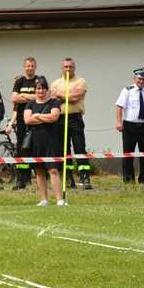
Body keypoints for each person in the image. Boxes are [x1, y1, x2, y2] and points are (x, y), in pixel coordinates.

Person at [50, 57, 92, 190]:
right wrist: (67, 95)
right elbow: (52, 99)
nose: (68, 69)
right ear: (62, 68)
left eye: (70, 67)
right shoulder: (55, 83)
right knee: (63, 149)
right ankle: (68, 178)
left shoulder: (81, 81)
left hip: (75, 118)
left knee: (79, 147)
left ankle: (84, 176)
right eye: (65, 67)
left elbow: (75, 98)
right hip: (60, 119)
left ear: (74, 68)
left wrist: (60, 95)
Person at [24, 78, 65, 206]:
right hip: (36, 141)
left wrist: (37, 116)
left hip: (51, 140)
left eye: (42, 88)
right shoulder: (30, 104)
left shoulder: (54, 102)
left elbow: (54, 117)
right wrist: (43, 118)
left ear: (47, 90)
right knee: (39, 171)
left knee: (53, 170)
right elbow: (27, 120)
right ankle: (44, 199)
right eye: (38, 88)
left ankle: (59, 200)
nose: (40, 91)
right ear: (35, 90)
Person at [11, 57, 47, 190]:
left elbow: (43, 96)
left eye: (32, 66)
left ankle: (40, 177)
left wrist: (24, 96)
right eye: (28, 66)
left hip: (36, 118)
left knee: (36, 146)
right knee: (22, 147)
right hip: (21, 119)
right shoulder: (20, 81)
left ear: (35, 67)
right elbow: (14, 97)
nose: (30, 68)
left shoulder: (39, 80)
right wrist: (33, 97)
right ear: (24, 67)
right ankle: (23, 179)